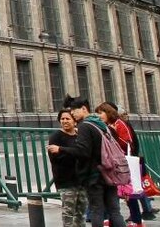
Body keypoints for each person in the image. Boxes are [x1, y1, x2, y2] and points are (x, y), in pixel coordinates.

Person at [47, 96, 126, 227]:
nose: (72, 114)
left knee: (97, 210)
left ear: (83, 109)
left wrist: (60, 149)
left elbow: (83, 152)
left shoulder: (85, 126)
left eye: (74, 111)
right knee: (114, 211)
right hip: (110, 173)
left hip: (95, 176)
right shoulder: (102, 125)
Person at [96, 103, 141, 226]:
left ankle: (137, 219)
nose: (98, 116)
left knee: (128, 193)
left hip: (123, 162)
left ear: (108, 113)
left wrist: (113, 134)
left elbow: (128, 143)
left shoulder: (119, 124)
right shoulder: (105, 126)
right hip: (113, 164)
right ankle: (113, 219)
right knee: (114, 193)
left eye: (100, 113)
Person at [48, 109, 87, 227]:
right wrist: (75, 154)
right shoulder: (56, 137)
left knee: (81, 213)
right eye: (62, 119)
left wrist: (64, 151)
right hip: (65, 180)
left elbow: (84, 153)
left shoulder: (80, 136)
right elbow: (56, 158)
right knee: (68, 213)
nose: (65, 121)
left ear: (75, 122)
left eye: (68, 118)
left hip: (81, 179)